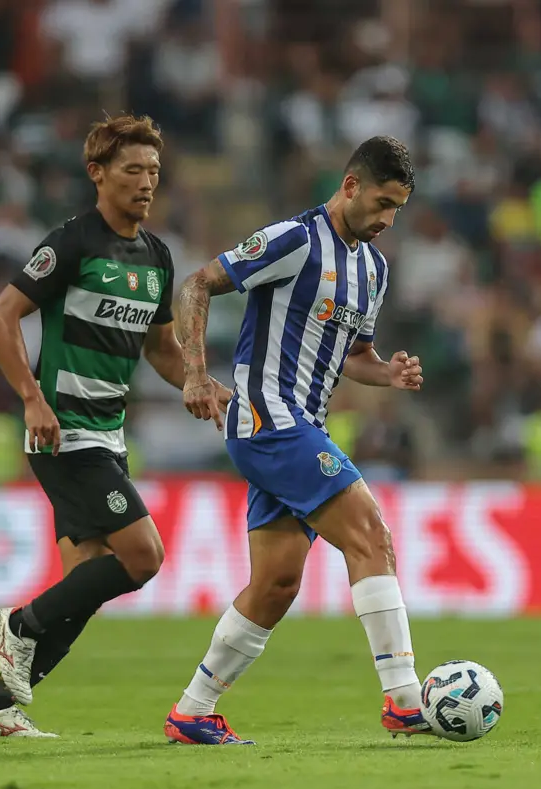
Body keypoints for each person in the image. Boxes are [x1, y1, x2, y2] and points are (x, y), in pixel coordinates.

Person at [0, 114, 231, 737]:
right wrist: (32, 399)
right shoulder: (72, 243)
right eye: (132, 170)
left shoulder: (158, 257)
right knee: (144, 556)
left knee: (82, 592)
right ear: (98, 175)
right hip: (63, 434)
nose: (146, 183)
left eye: (154, 172)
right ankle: (19, 626)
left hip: (108, 437)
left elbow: (162, 350)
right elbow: (0, 320)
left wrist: (198, 378)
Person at [164, 135, 428, 745]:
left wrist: (386, 371)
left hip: (303, 423)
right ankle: (406, 702)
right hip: (268, 418)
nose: (389, 220)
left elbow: (353, 354)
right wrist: (197, 373)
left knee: (277, 583)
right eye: (384, 203)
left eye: (400, 209)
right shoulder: (294, 239)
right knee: (372, 536)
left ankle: (192, 711)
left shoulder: (374, 268)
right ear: (352, 186)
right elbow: (197, 285)